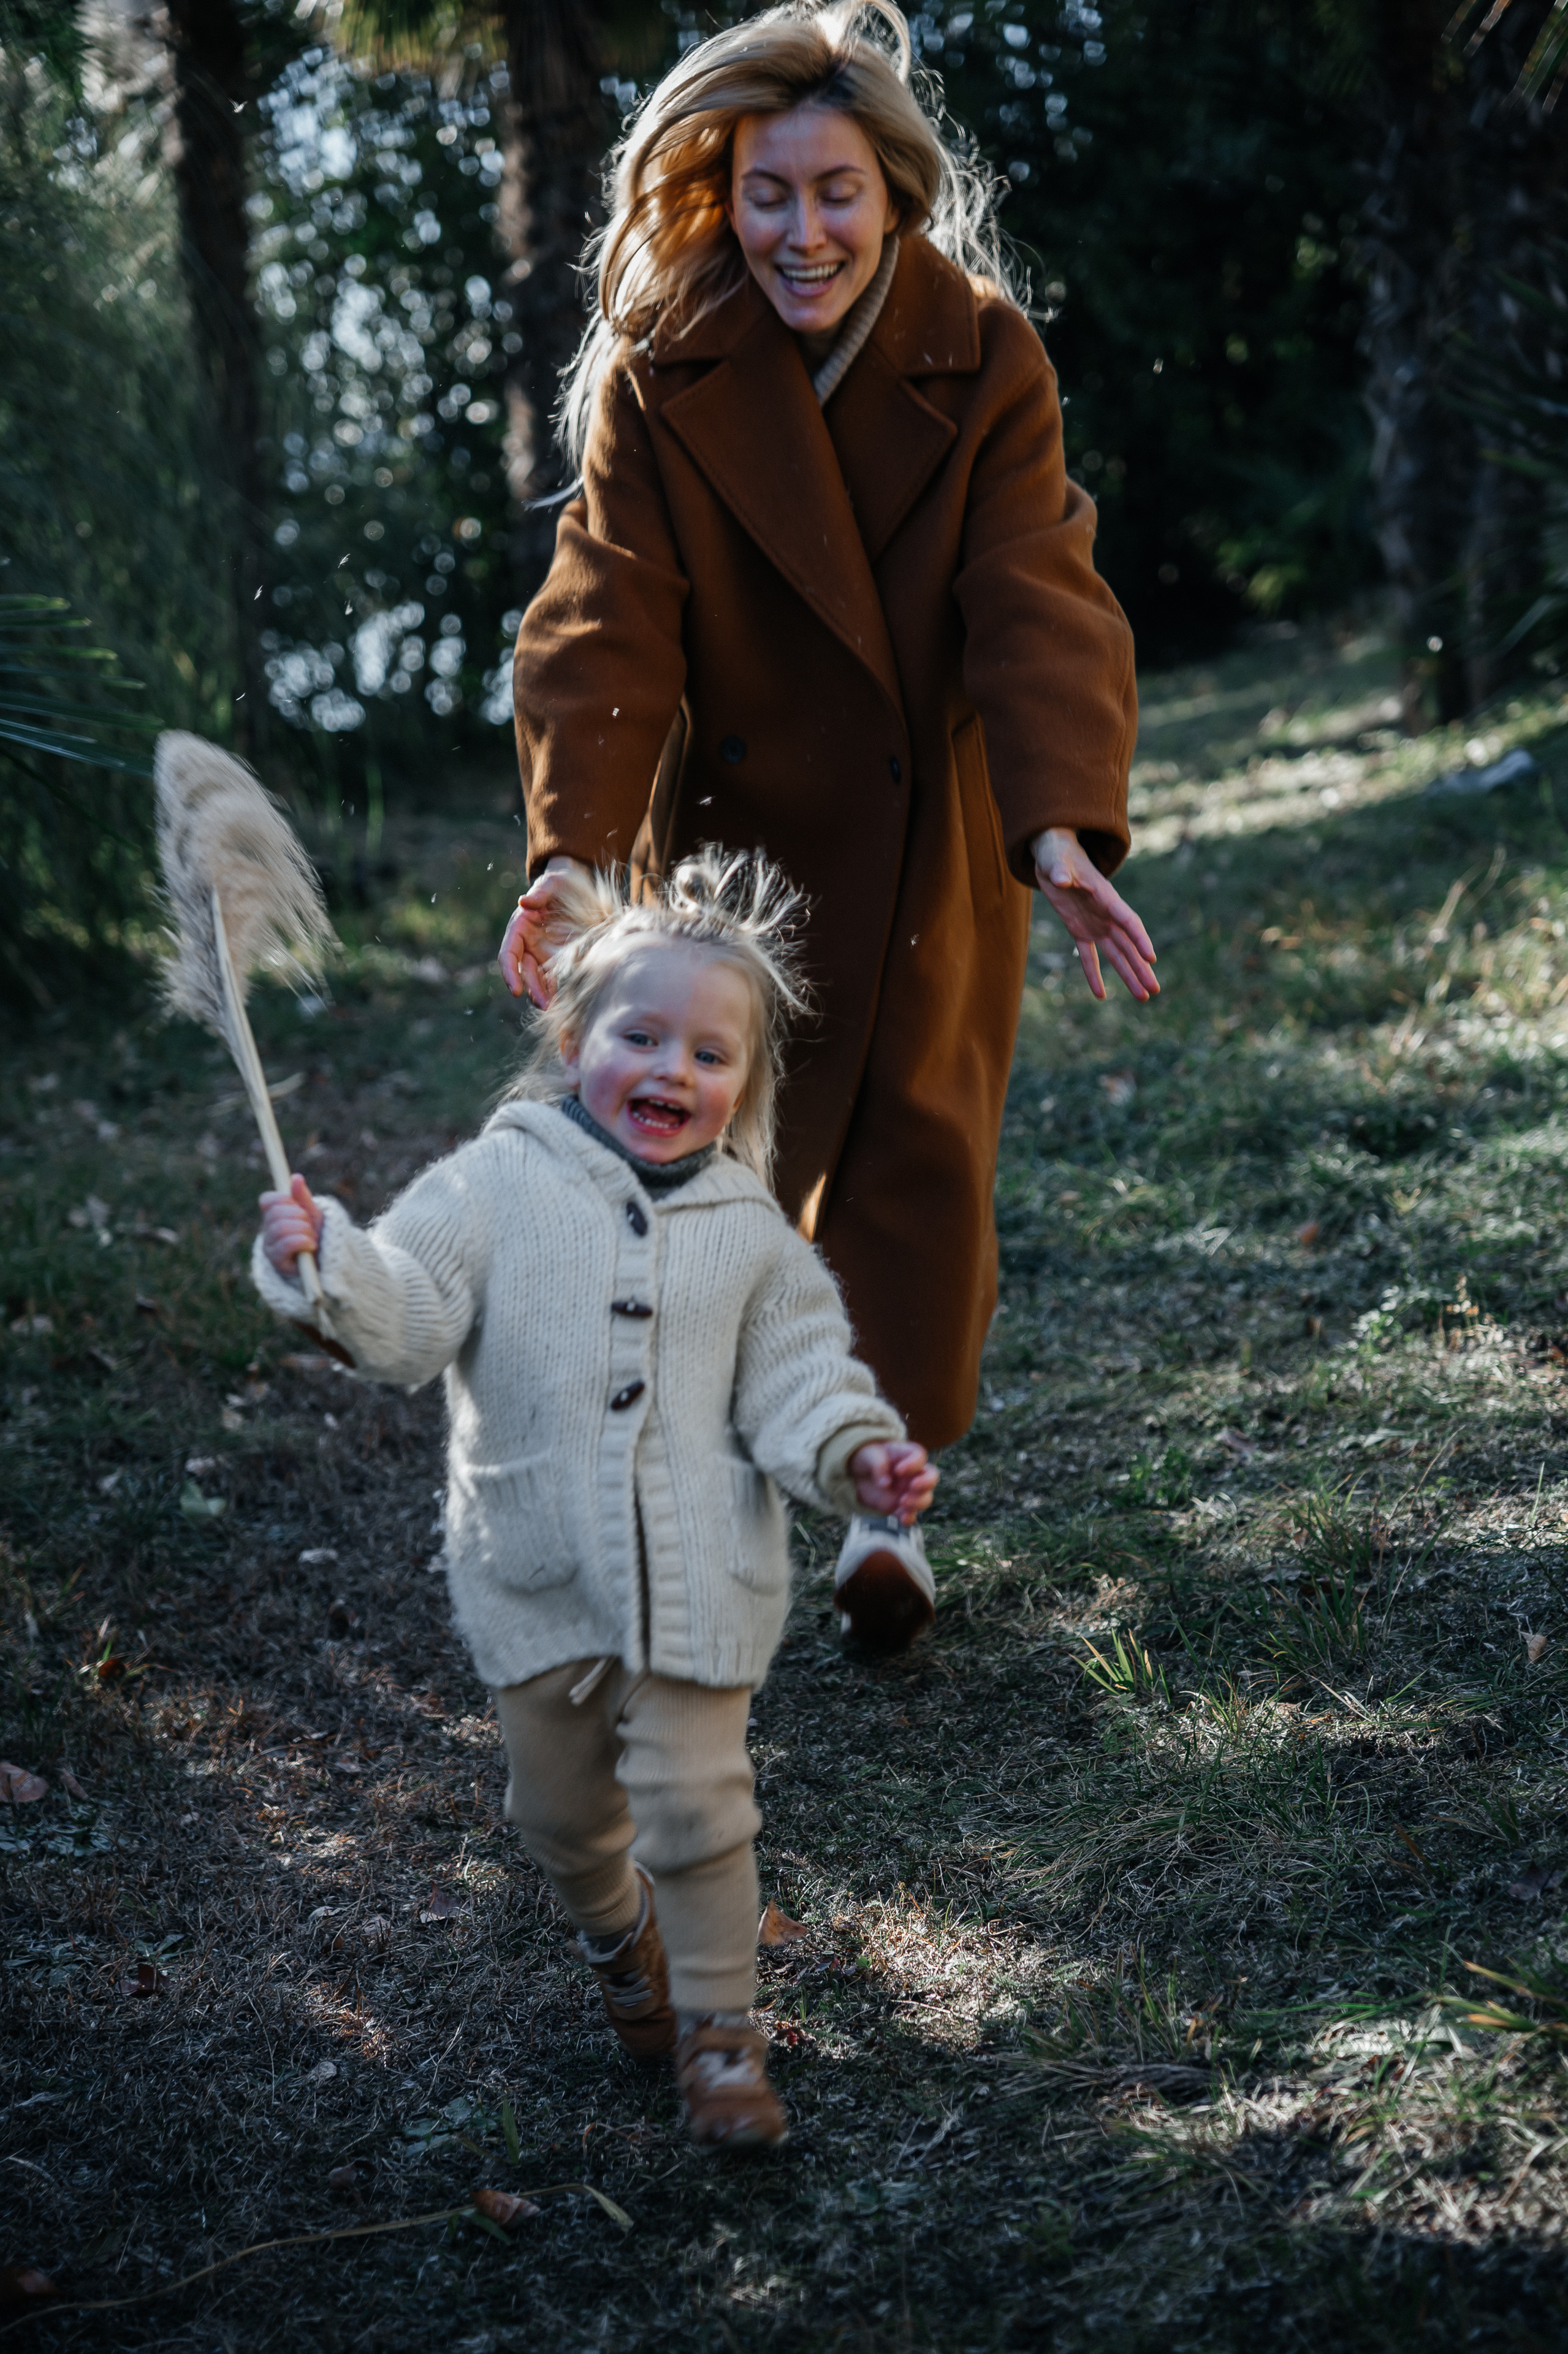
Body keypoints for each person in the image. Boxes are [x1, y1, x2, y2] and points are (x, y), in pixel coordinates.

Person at [498, 0, 1154, 1651]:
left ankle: (885, 1507)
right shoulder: (666, 369)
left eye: (838, 191)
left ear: (897, 192)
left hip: (930, 825)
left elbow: (1035, 590)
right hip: (719, 843)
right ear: (721, 195)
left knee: (918, 1163)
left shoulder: (988, 353)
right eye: (770, 193)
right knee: (707, 1164)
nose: (805, 232)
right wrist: (575, 848)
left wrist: (1061, 820)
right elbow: (608, 611)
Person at [252, 850, 935, 2150]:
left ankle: (723, 2041)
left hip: (699, 1578)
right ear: (573, 1038)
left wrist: (855, 1456)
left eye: (710, 1054)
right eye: (641, 1036)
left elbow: (799, 1378)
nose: (673, 1072)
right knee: (562, 1818)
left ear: (745, 1081)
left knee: (698, 1801)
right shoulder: (492, 1186)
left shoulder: (749, 1233)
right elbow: (403, 1314)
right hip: (537, 1572)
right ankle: (620, 1941)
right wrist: (326, 1262)